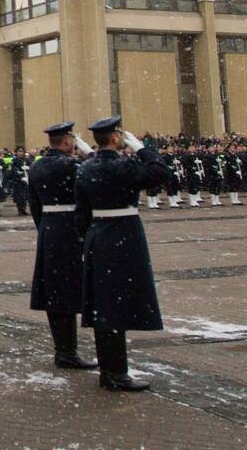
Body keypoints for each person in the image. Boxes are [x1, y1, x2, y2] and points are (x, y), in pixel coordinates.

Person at [76, 116, 171, 392]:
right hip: (123, 235)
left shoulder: (85, 168)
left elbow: (80, 210)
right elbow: (161, 173)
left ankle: (110, 369)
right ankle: (116, 373)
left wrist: (86, 239)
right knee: (117, 304)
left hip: (97, 235)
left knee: (104, 305)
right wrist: (143, 149)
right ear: (116, 139)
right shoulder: (124, 165)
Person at [28, 122, 98, 370]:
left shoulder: (37, 166)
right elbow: (99, 172)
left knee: (55, 293)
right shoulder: (72, 165)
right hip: (70, 229)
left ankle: (63, 349)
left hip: (49, 228)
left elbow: (34, 204)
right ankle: (67, 353)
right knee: (68, 290)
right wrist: (89, 151)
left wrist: (46, 228)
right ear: (67, 142)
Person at [9, 146, 32, 216]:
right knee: (19, 197)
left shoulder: (26, 161)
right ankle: (20, 210)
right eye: (19, 151)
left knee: (25, 197)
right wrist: (20, 175)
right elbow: (13, 171)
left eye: (21, 151)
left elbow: (31, 168)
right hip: (18, 182)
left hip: (26, 181)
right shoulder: (15, 161)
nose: (20, 153)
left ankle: (24, 209)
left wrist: (28, 169)